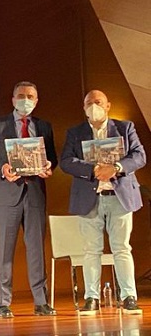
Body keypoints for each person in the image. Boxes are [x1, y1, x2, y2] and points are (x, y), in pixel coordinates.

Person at [60, 90, 146, 315]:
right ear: (84, 107)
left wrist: (116, 168)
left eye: (98, 102)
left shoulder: (125, 128)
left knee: (122, 248)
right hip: (90, 198)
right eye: (89, 103)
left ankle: (129, 297)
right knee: (91, 250)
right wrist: (94, 169)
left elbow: (139, 156)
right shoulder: (75, 132)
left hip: (119, 197)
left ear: (108, 105)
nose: (93, 106)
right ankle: (91, 298)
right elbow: (66, 161)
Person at [0, 81, 57, 318]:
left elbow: (51, 157)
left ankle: (41, 301)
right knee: (4, 251)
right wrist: (2, 168)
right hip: (6, 195)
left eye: (30, 96)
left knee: (36, 250)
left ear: (37, 100)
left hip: (34, 194)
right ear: (13, 100)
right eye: (21, 96)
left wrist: (50, 166)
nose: (26, 100)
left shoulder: (44, 126)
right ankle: (2, 303)